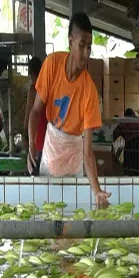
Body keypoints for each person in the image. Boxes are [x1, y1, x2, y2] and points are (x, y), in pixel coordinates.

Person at [27, 13, 110, 207]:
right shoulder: (52, 65)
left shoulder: (89, 90)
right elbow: (35, 111)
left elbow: (88, 152)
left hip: (75, 153)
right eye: (82, 45)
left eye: (89, 47)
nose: (86, 53)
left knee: (74, 210)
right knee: (49, 210)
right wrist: (31, 143)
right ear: (70, 41)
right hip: (51, 147)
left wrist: (97, 191)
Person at [25, 55, 47, 176]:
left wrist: (27, 141)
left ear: (32, 73)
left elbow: (28, 116)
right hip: (49, 143)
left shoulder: (34, 90)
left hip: (36, 144)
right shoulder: (49, 89)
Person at [112, 107, 139, 175]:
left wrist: (112, 144)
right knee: (137, 163)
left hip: (130, 144)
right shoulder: (138, 122)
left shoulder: (123, 123)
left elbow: (115, 133)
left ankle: (128, 174)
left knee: (129, 164)